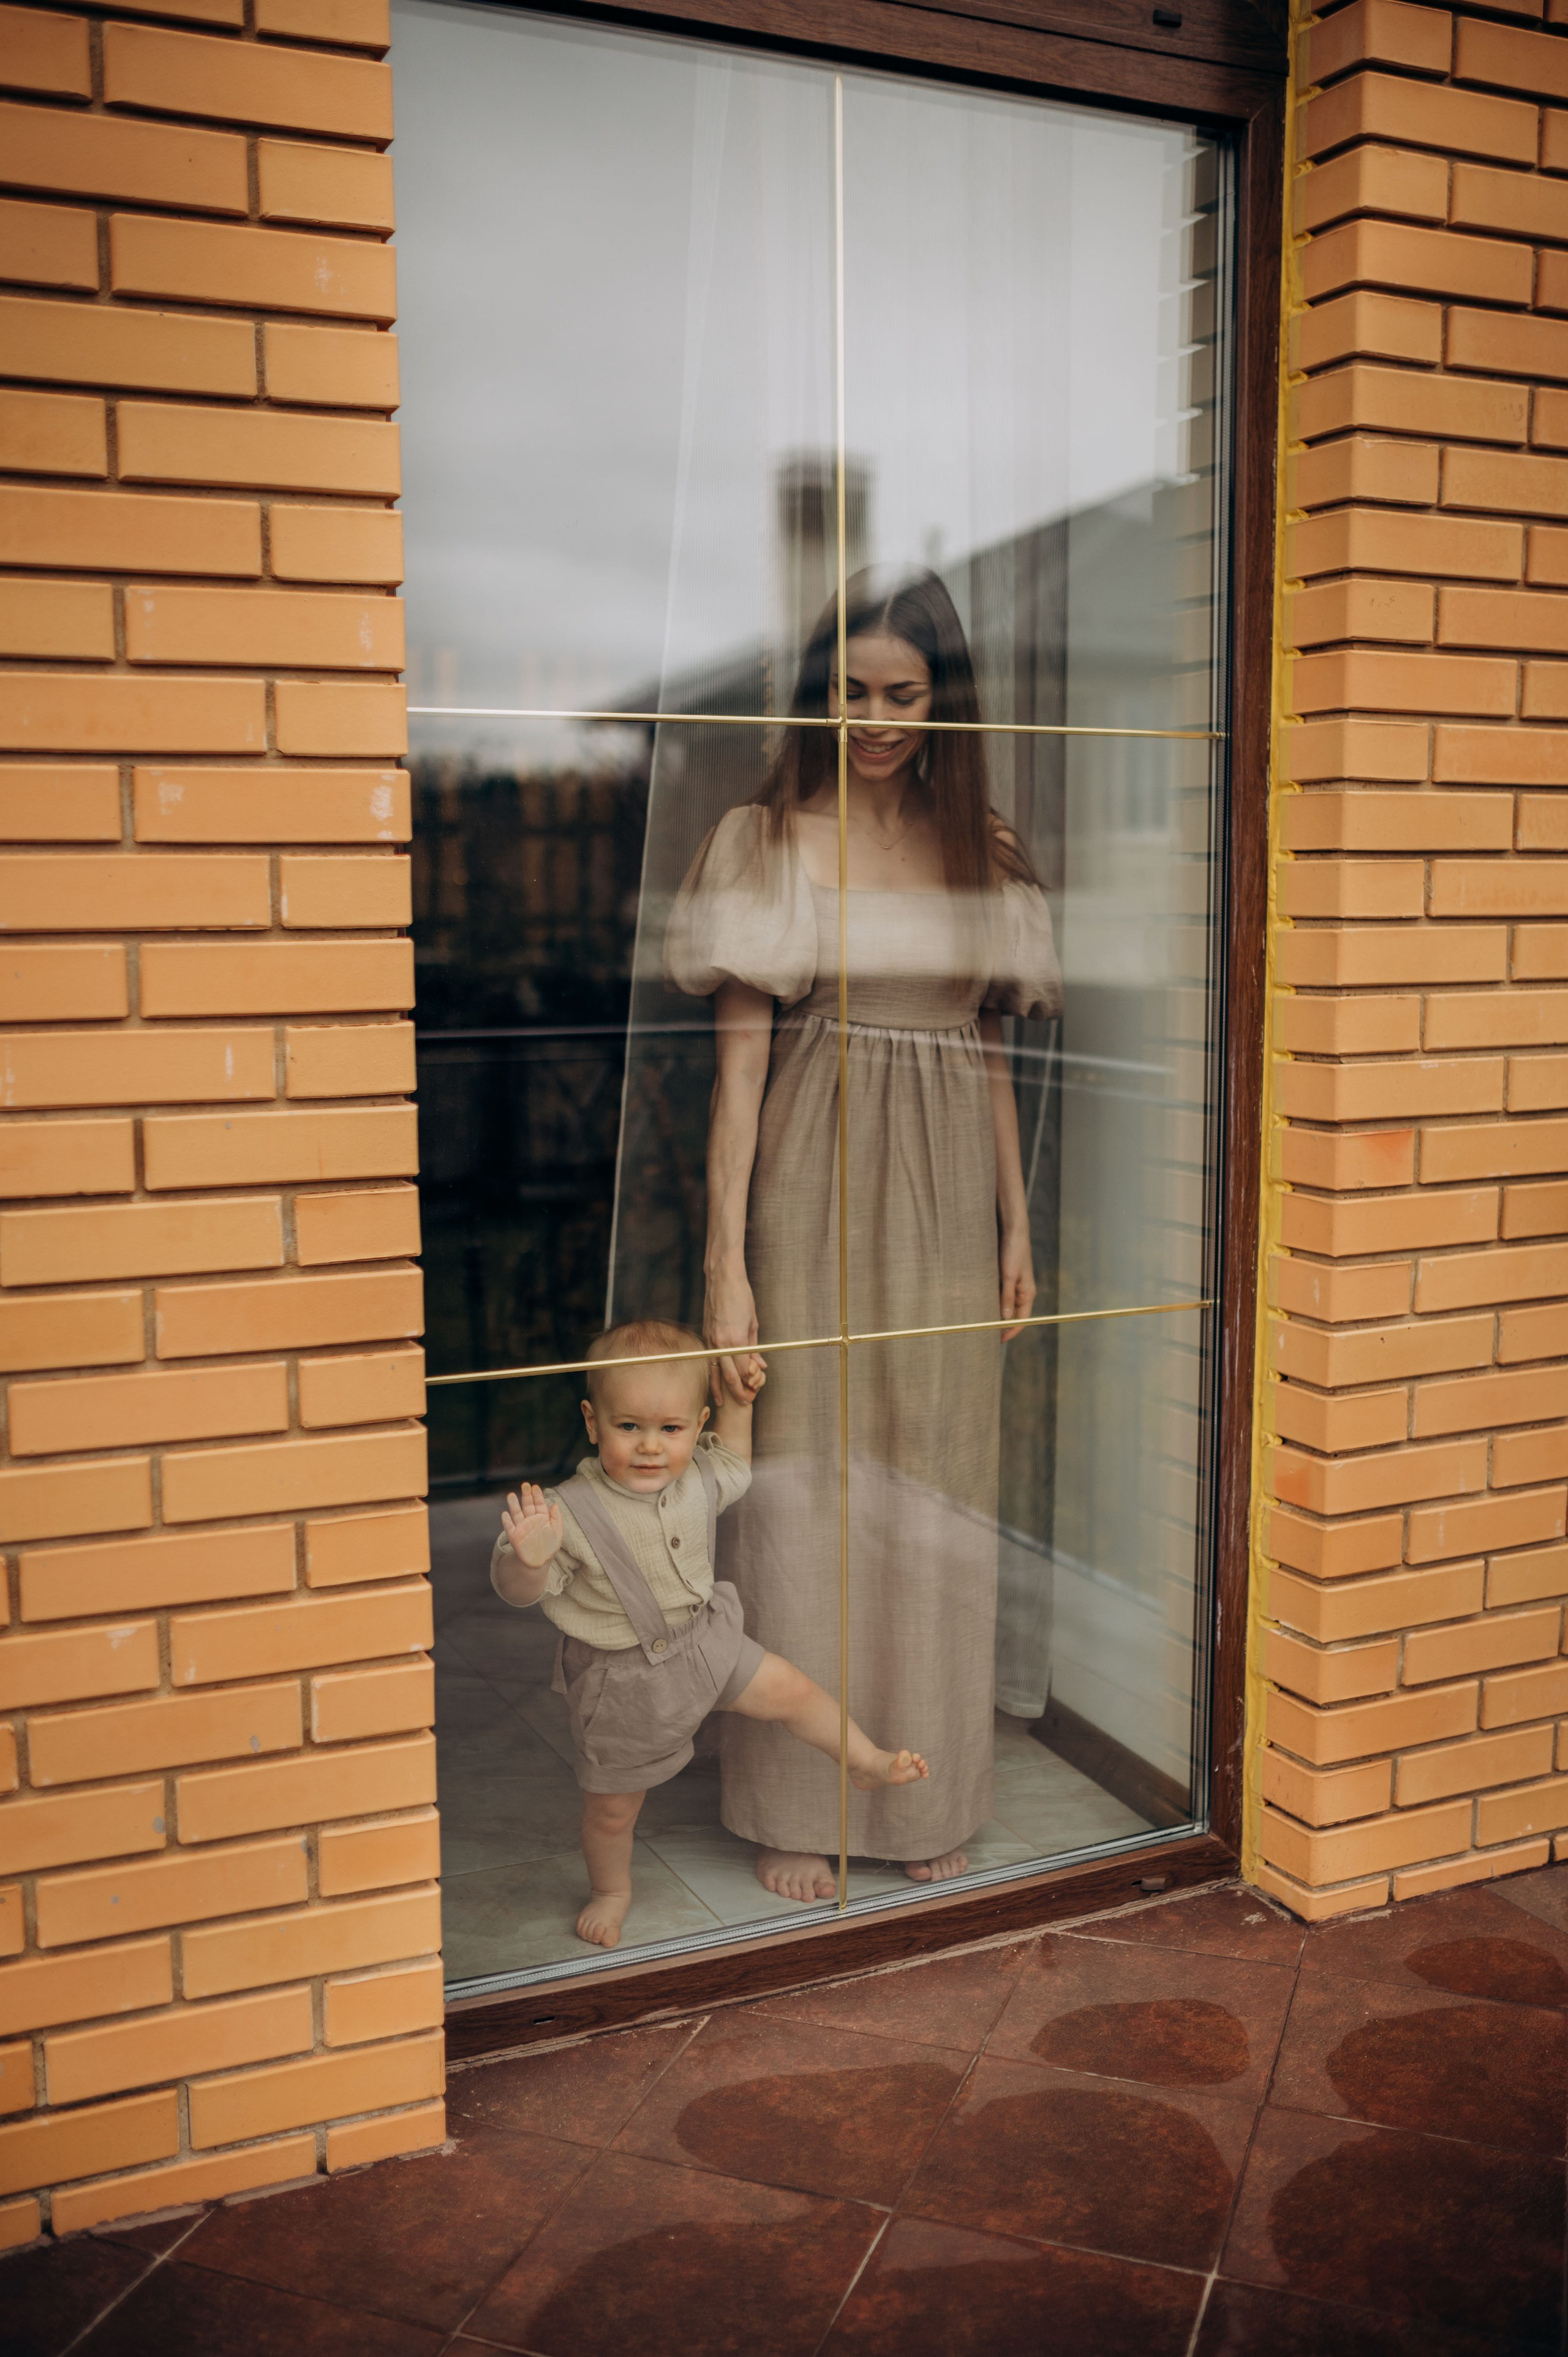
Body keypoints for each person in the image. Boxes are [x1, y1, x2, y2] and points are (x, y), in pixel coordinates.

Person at [664, 568, 1062, 1903]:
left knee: (940, 1486)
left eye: (902, 693)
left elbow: (995, 1056)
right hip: (813, 1175)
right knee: (807, 1487)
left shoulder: (980, 848)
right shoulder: (771, 838)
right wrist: (726, 1266)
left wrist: (1016, 1224)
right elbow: (734, 1076)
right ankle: (796, 1798)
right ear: (814, 696)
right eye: (850, 691)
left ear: (941, 702)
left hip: (950, 1188)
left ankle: (923, 1784)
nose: (877, 718)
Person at [491, 1318, 929, 1948]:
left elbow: (736, 1467)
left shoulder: (697, 1472)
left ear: (697, 1425)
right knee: (613, 1810)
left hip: (705, 1643)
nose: (650, 1446)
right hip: (624, 1682)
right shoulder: (566, 1512)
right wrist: (527, 1559)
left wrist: (740, 1405)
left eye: (670, 1429)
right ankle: (611, 1889)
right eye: (628, 1427)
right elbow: (517, 1592)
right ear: (592, 1421)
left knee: (795, 1689)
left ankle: (863, 1760)